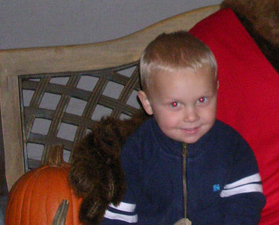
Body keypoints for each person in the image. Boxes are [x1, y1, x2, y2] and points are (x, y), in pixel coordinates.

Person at [101, 31, 266, 225]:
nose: (191, 116)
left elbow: (245, 203)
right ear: (147, 103)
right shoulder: (136, 151)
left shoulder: (231, 147)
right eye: (175, 104)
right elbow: (118, 216)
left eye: (202, 100)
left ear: (216, 91)